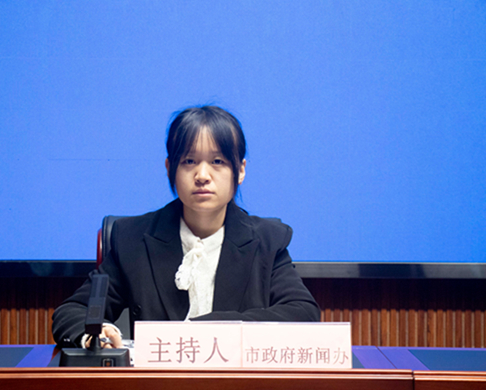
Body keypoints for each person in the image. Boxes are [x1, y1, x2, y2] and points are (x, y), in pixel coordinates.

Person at [52, 105, 320, 349]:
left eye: (217, 162)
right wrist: (95, 334)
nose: (202, 176)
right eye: (189, 161)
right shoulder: (133, 239)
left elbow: (303, 313)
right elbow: (73, 311)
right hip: (157, 383)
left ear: (240, 170)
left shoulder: (267, 240)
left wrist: (208, 329)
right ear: (170, 168)